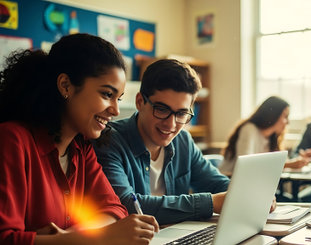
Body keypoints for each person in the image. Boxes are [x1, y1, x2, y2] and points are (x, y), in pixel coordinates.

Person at [0, 33, 159, 245]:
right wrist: (101, 236)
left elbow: (114, 209)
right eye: (106, 94)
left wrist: (69, 238)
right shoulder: (12, 140)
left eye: (118, 98)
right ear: (66, 85)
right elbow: (6, 239)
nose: (115, 110)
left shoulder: (80, 147)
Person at [93, 59, 232, 225]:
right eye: (161, 109)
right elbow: (126, 205)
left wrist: (249, 194)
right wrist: (210, 203)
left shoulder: (183, 141)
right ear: (139, 102)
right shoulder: (109, 140)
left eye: (181, 114)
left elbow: (217, 183)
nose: (171, 124)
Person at [219, 96, 306, 174]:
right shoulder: (249, 129)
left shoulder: (272, 138)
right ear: (273, 115)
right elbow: (245, 166)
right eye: (285, 117)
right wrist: (287, 165)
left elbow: (276, 167)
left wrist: (298, 163)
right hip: (229, 181)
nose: (288, 122)